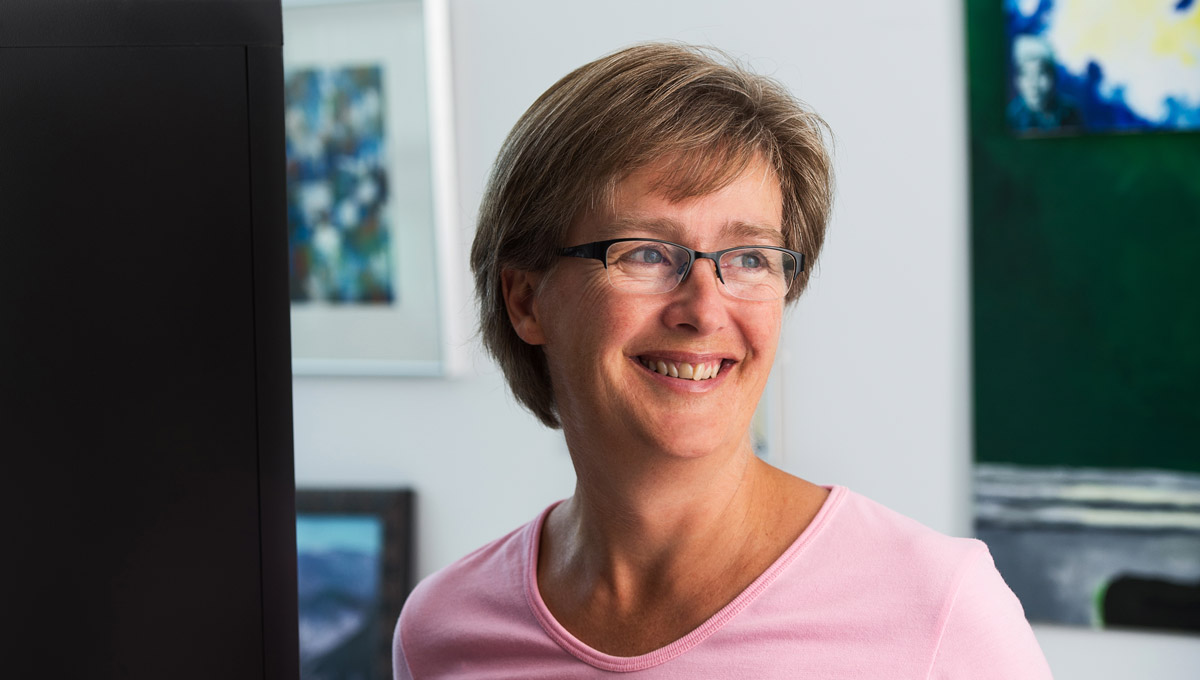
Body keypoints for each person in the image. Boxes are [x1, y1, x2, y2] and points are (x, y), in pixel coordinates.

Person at [394, 42, 1053, 678]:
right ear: (526, 301)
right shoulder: (445, 631)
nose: (704, 311)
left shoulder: (938, 610)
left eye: (750, 260)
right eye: (646, 253)